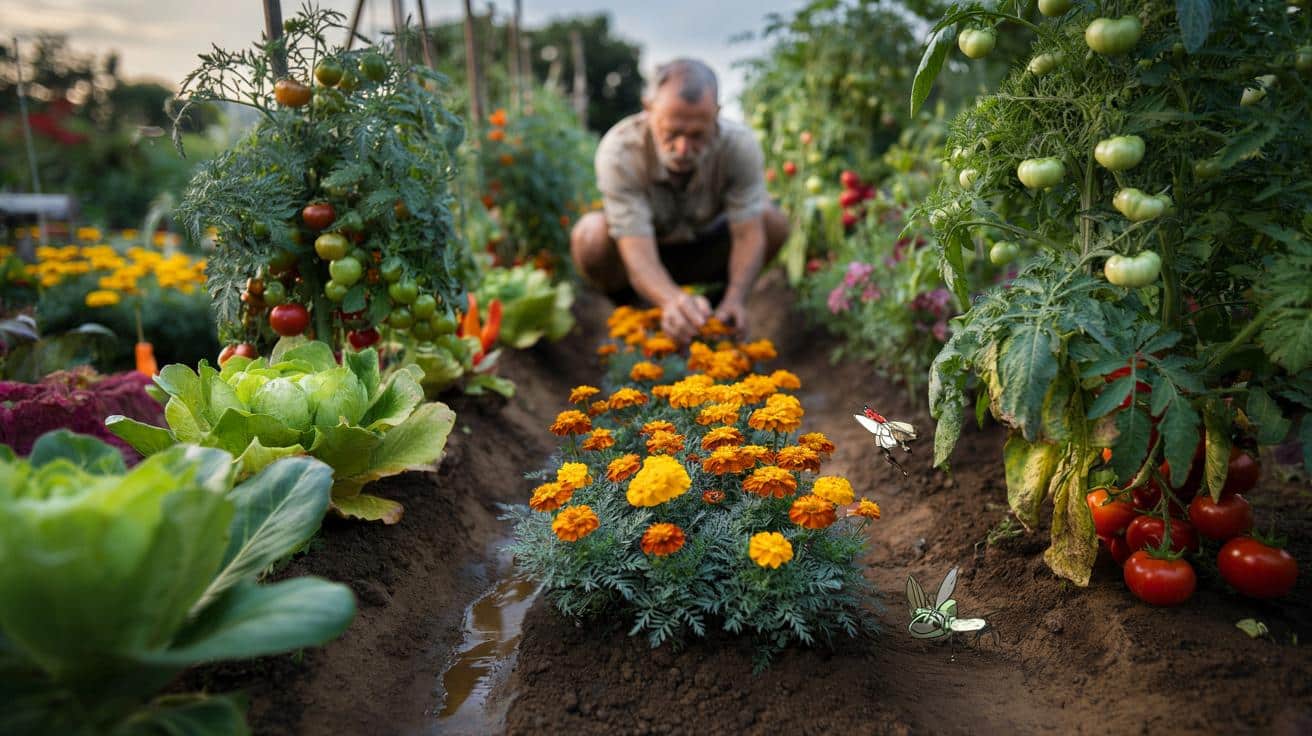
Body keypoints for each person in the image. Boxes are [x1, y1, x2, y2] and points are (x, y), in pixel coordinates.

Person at [570, 58, 790, 343]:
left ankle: (721, 309)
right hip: (646, 252)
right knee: (590, 236)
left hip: (707, 247)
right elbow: (634, 245)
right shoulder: (620, 151)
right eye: (672, 133)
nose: (683, 148)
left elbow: (747, 233)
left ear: (716, 114)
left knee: (771, 221)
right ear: (648, 109)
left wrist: (736, 297)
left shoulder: (739, 146)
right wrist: (669, 299)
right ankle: (635, 310)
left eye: (697, 135)